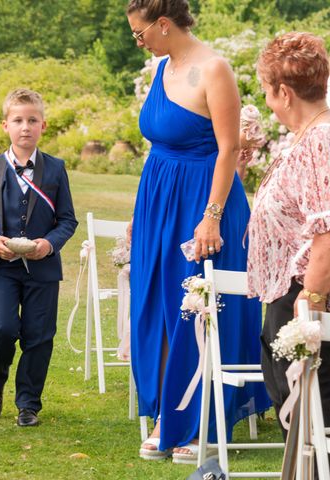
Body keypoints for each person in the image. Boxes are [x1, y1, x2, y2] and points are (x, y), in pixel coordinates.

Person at [125, 0, 271, 463]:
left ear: (163, 24)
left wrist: (211, 215)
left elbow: (229, 150)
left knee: (196, 306)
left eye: (139, 32)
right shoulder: (160, 68)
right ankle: (169, 410)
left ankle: (196, 420)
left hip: (204, 200)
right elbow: (160, 140)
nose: (139, 41)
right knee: (159, 300)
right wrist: (140, 211)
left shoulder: (215, 69)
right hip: (158, 201)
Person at [0, 88, 78, 427]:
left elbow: (67, 220)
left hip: (42, 268)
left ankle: (29, 403)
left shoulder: (55, 170)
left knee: (39, 335)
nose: (25, 127)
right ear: (5, 126)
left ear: (43, 126)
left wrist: (50, 244)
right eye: (18, 120)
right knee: (1, 329)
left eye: (32, 120)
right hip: (1, 266)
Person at [248, 32, 330, 441]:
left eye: (266, 91)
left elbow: (327, 230)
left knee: (314, 420)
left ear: (284, 92)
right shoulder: (307, 136)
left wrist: (310, 307)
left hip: (307, 299)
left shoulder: (321, 139)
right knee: (296, 423)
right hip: (289, 295)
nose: (267, 101)